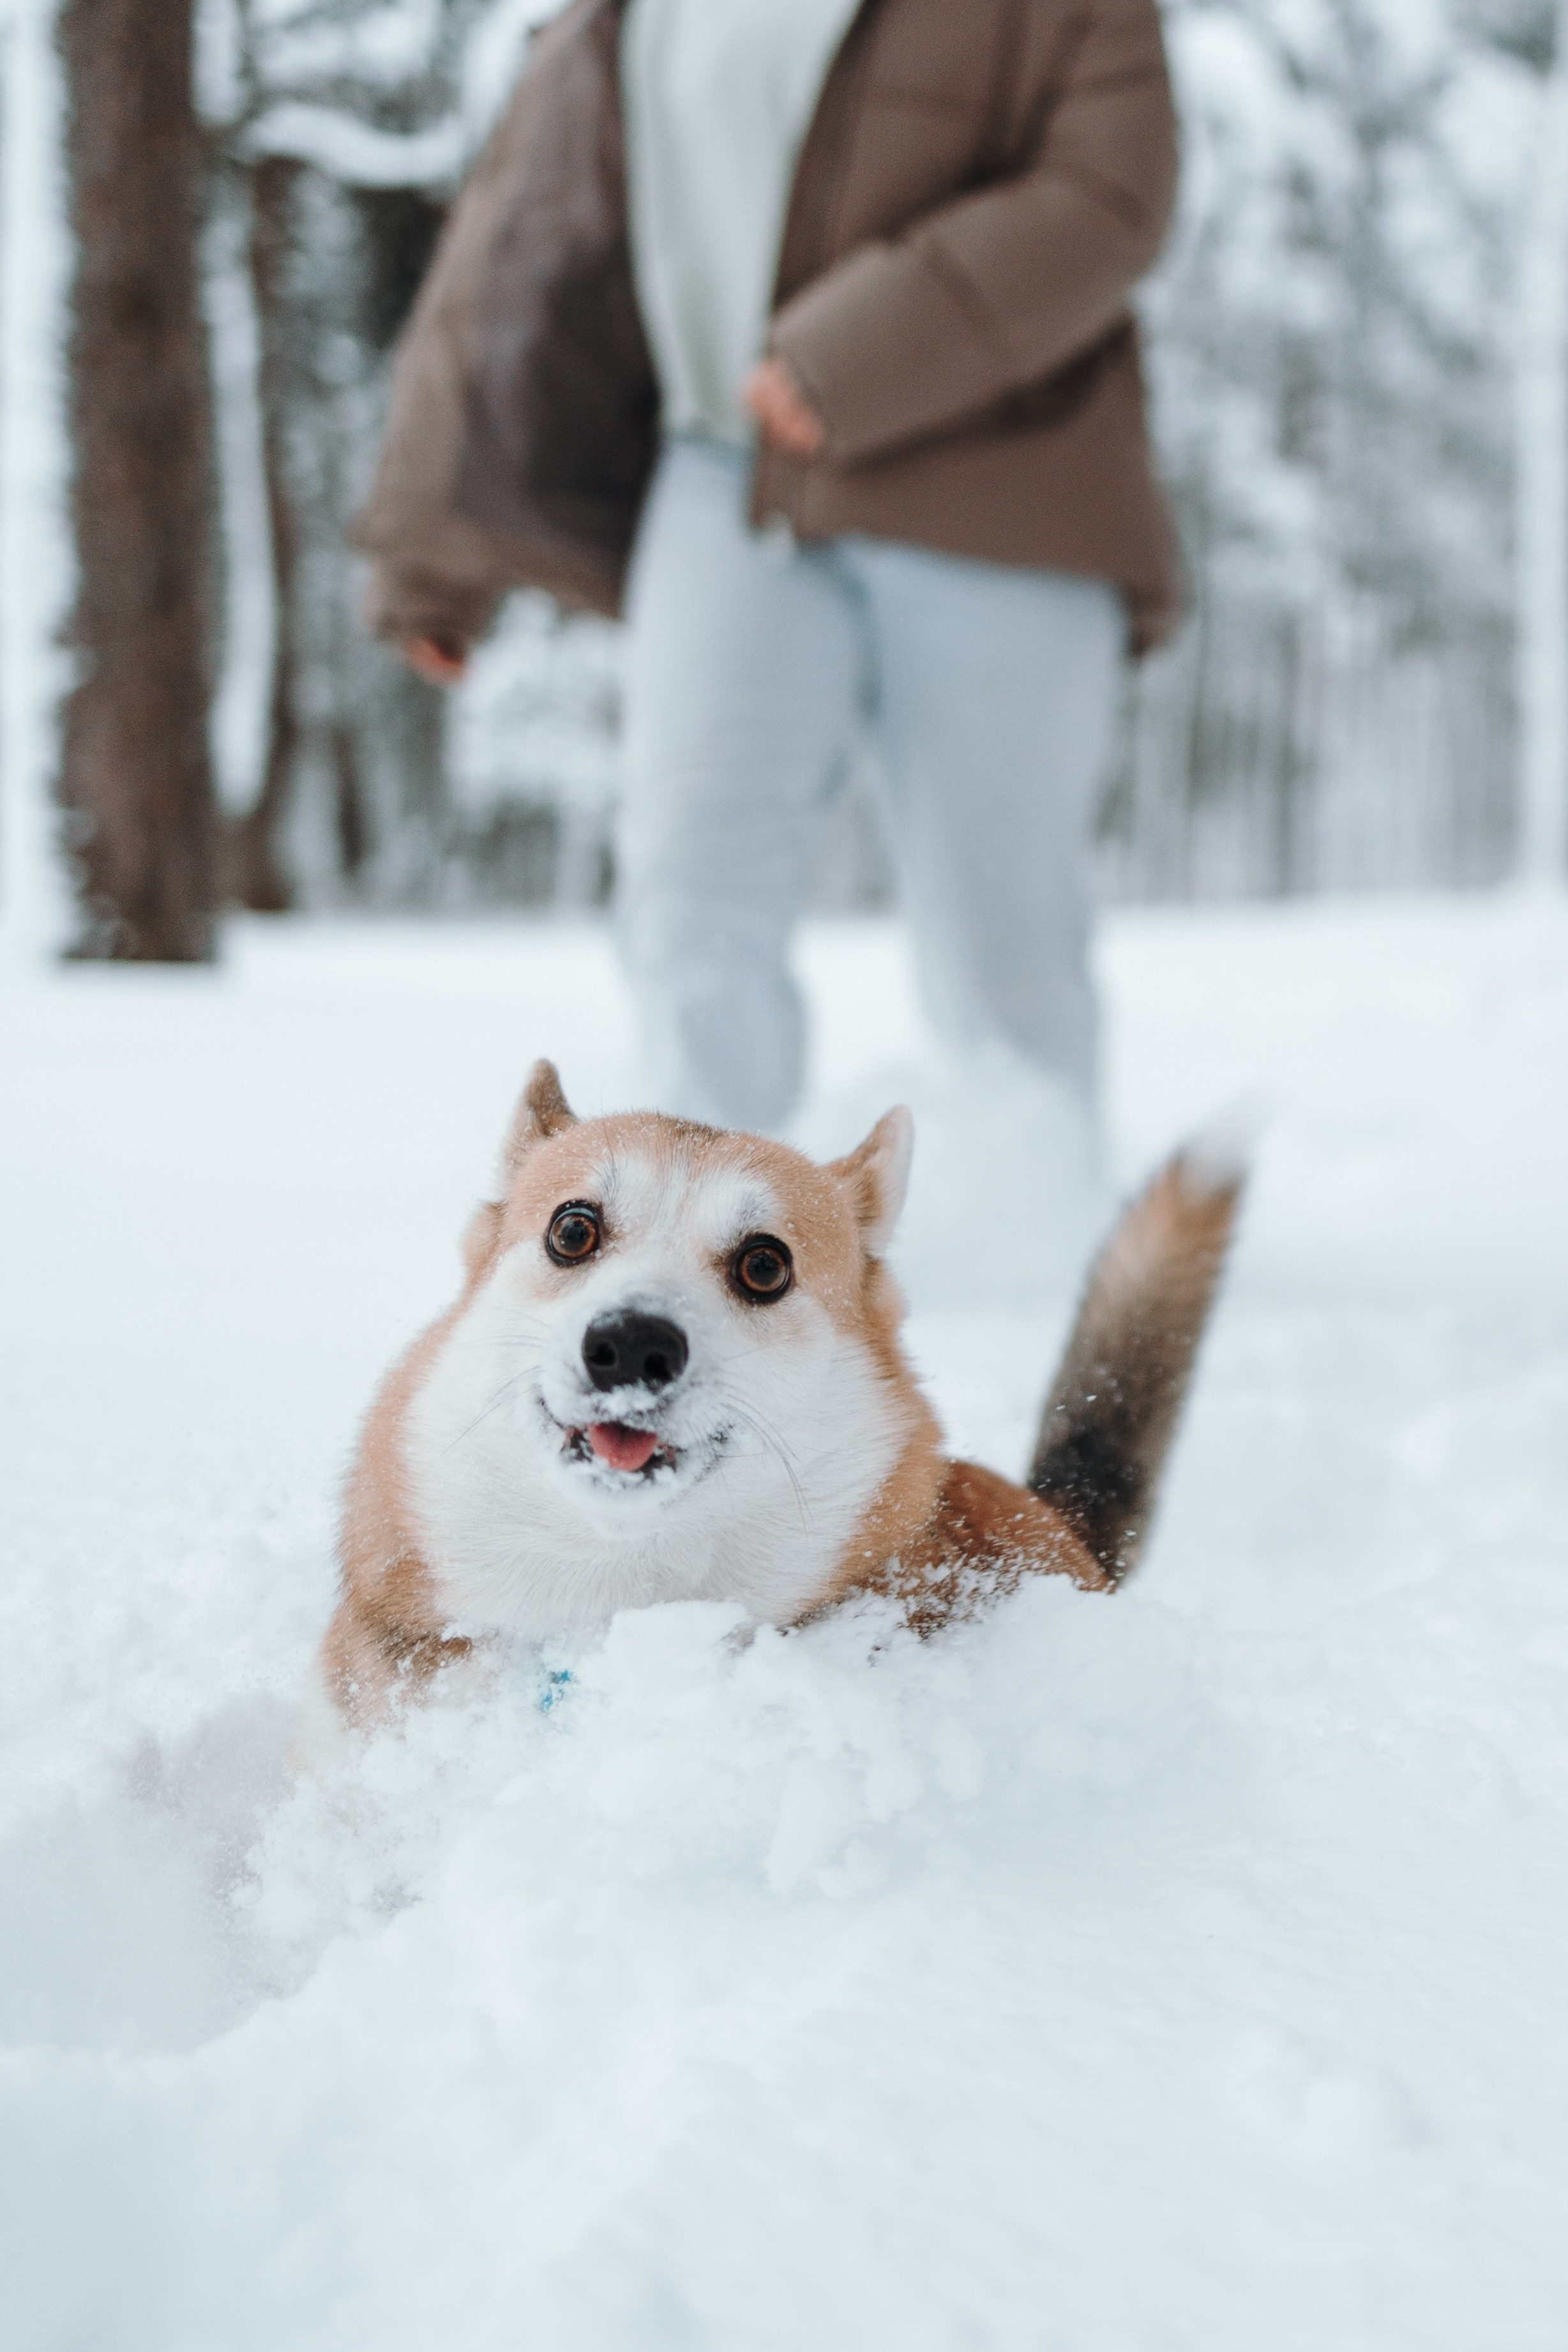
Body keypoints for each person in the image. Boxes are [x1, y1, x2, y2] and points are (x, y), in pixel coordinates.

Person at [354, 0, 1180, 1142]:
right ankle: (711, 1261)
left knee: (1004, 940)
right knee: (688, 903)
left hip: (1003, 493)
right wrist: (430, 547)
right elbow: (519, 242)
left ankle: (1038, 1251)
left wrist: (850, 357)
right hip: (722, 481)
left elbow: (1110, 199)